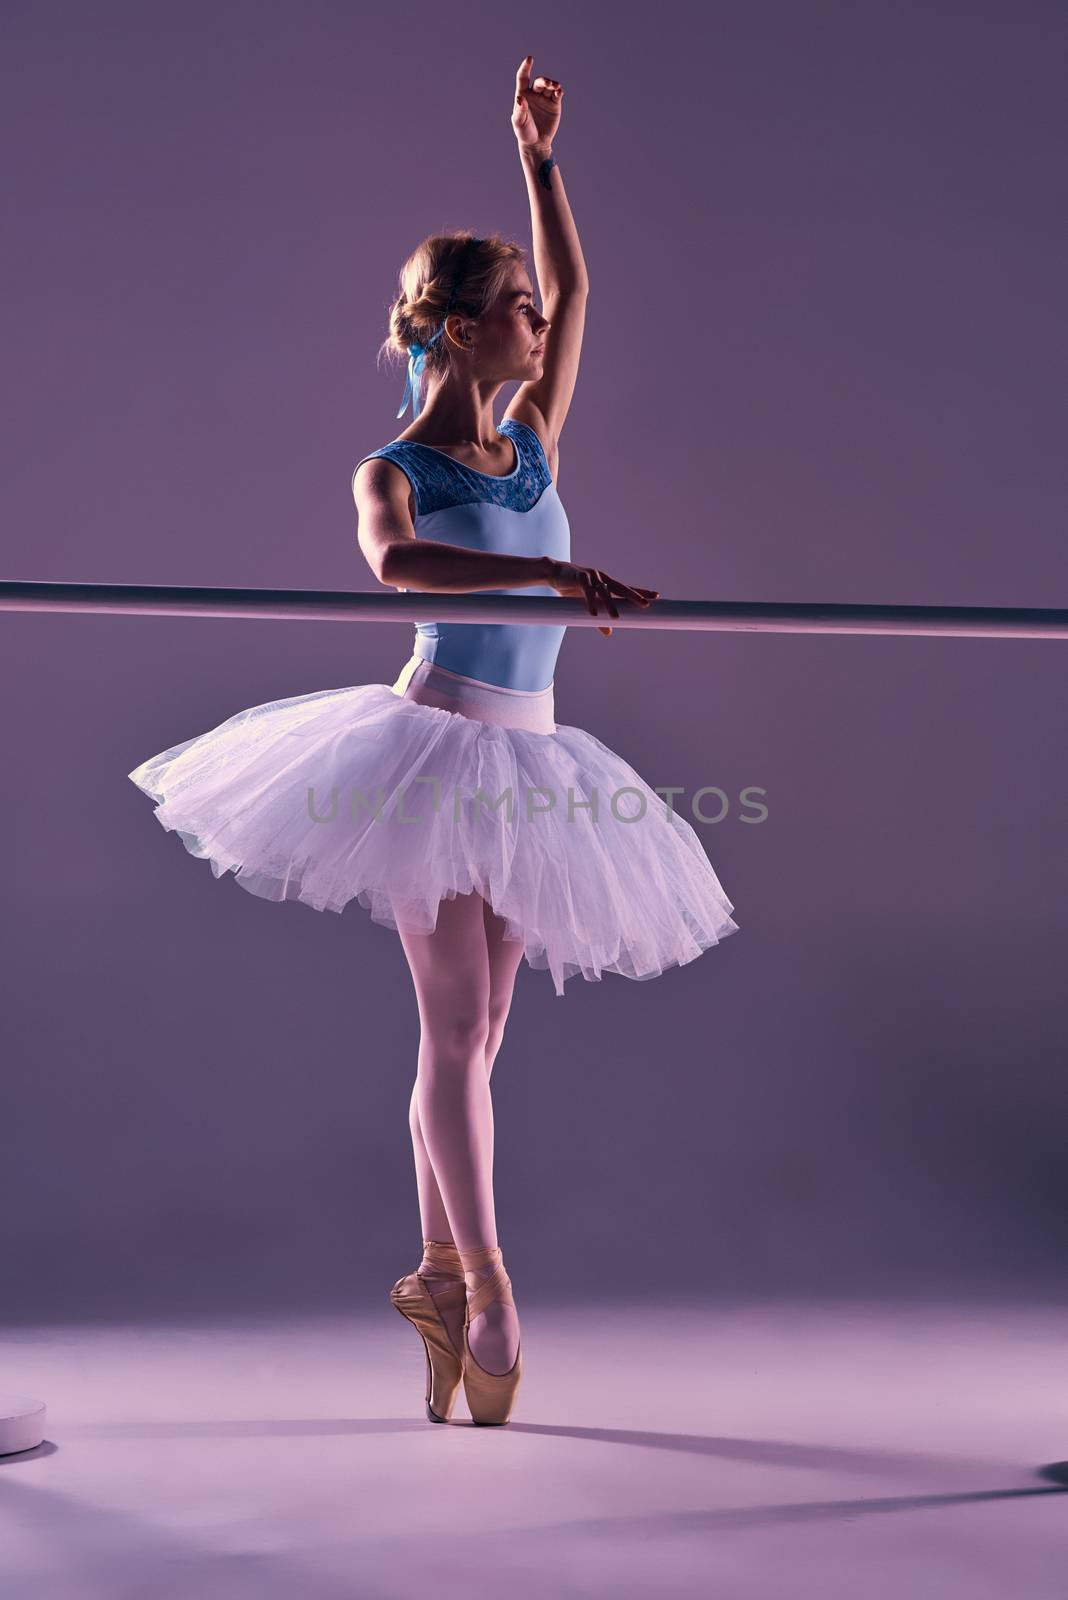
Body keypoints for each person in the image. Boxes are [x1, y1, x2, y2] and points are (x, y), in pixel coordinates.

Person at [127, 56, 739, 1427]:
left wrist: (538, 160)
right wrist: (551, 584)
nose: (534, 320)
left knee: (478, 1032)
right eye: (509, 307)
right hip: (438, 751)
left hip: (536, 761)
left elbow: (580, 293)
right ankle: (493, 1285)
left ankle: (435, 1278)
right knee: (456, 1028)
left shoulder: (536, 448)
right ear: (454, 332)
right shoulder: (393, 469)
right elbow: (400, 571)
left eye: (529, 306)